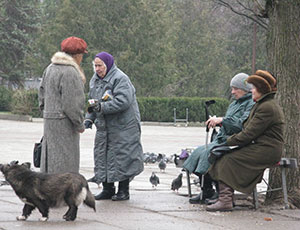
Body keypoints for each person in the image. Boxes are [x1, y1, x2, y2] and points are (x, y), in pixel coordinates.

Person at [206, 70, 285, 212]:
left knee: (227, 160)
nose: (252, 91)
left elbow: (249, 133)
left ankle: (225, 200)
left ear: (261, 90)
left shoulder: (267, 107)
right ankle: (226, 198)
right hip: (261, 147)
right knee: (223, 157)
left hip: (267, 150)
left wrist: (227, 143)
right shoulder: (262, 104)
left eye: (254, 88)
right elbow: (246, 128)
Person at [183, 73, 255, 204]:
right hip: (222, 138)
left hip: (234, 140)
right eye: (231, 88)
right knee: (198, 153)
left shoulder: (251, 104)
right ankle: (206, 190)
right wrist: (219, 122)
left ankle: (219, 193)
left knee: (209, 154)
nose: (232, 92)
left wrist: (222, 120)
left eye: (235, 88)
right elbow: (228, 121)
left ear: (245, 89)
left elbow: (241, 124)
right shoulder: (234, 104)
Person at [84, 52, 144, 201]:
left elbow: (123, 101)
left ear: (108, 65)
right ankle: (107, 189)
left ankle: (124, 190)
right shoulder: (95, 80)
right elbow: (93, 102)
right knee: (103, 155)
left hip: (124, 127)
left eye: (100, 65)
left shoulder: (120, 79)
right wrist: (89, 119)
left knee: (123, 157)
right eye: (95, 65)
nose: (97, 69)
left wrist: (101, 108)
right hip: (105, 127)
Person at [38, 36, 87, 173]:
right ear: (77, 55)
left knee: (49, 162)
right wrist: (79, 123)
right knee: (65, 163)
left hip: (50, 122)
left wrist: (46, 112)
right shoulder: (70, 72)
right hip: (65, 124)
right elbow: (72, 104)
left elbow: (41, 95)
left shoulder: (50, 69)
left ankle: (48, 191)